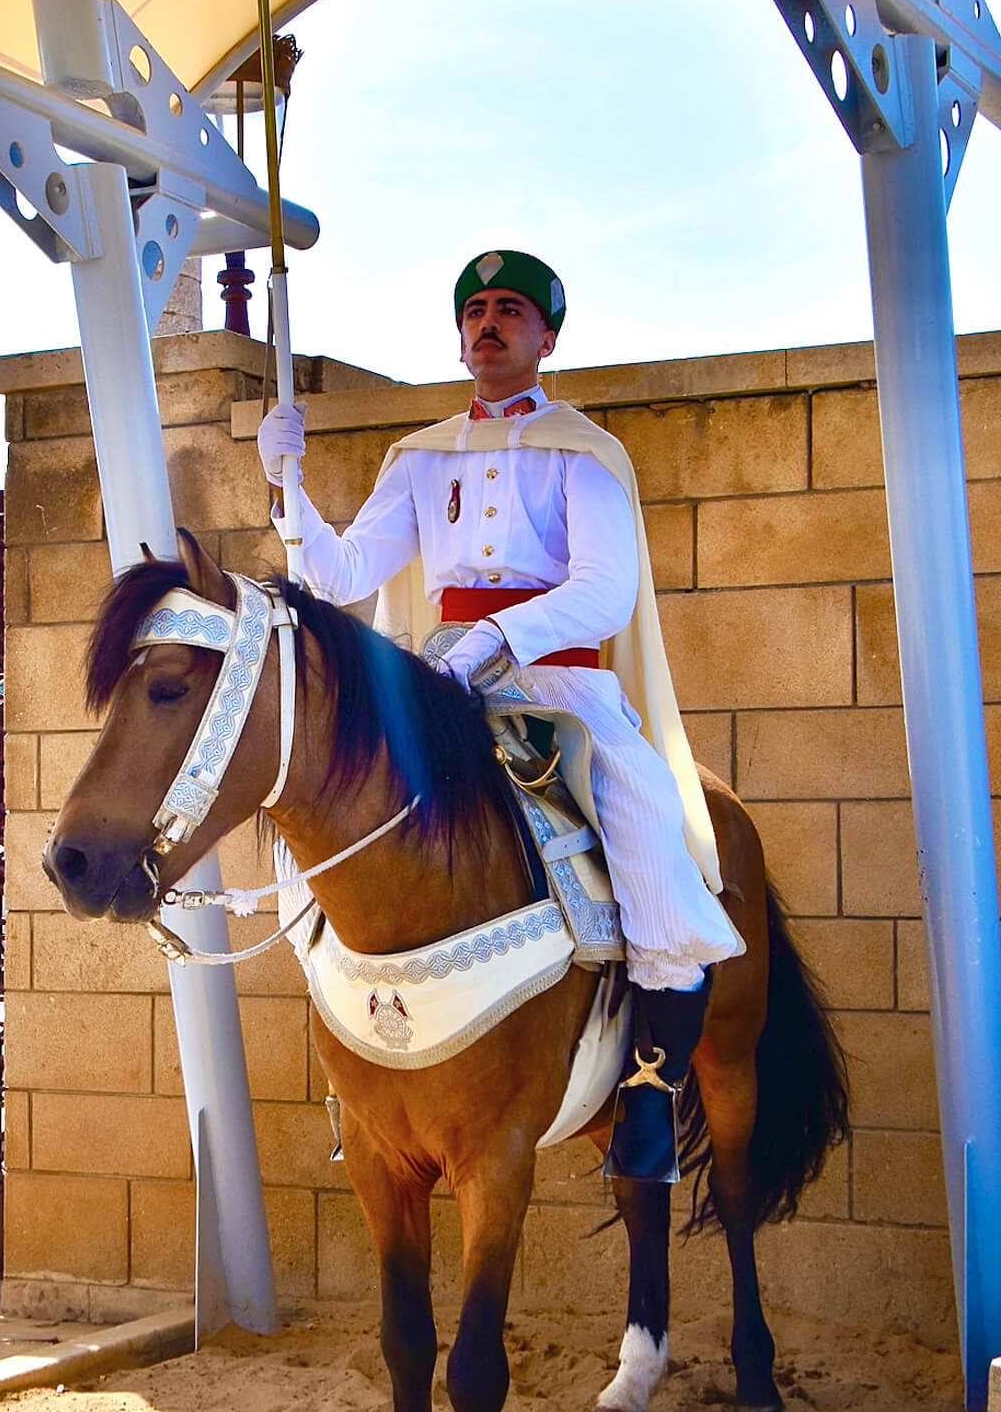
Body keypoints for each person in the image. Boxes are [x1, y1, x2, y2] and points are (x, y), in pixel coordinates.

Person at [256, 248, 743, 1174]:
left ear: (546, 336)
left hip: (559, 682)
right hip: (443, 689)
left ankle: (645, 1091)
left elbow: (603, 592)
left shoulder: (585, 453)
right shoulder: (421, 456)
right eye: (476, 308)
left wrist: (498, 639)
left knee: (646, 828)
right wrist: (290, 493)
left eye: (511, 309)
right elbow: (344, 574)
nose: (489, 322)